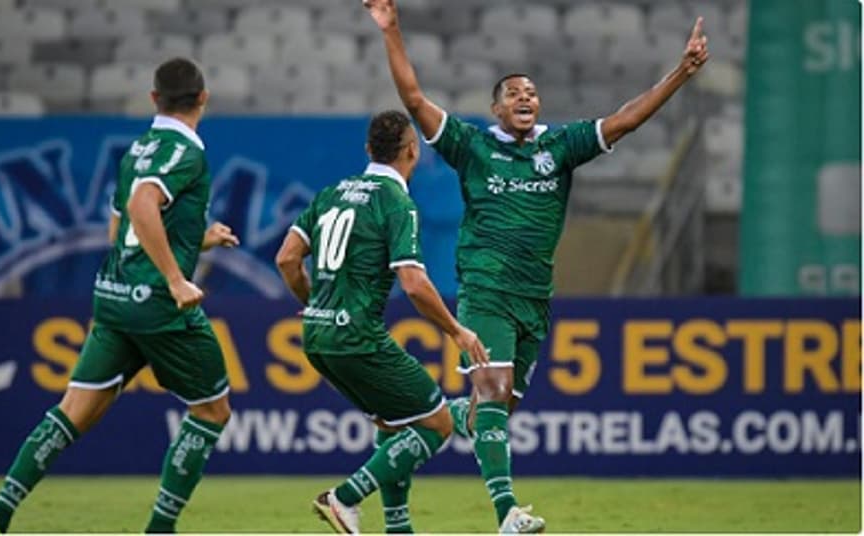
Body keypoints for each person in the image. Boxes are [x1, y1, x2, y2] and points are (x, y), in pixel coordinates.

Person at [363, 0, 711, 532]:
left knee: (487, 415)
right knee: (495, 392)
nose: (525, 98)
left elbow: (627, 119)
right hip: (486, 289)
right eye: (513, 93)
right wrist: (391, 29)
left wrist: (681, 73)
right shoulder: (472, 146)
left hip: (534, 299)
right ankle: (508, 515)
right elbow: (412, 98)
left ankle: (385, 450)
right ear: (497, 109)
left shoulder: (560, 146)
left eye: (531, 92)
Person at [0, 57, 240, 534]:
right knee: (212, 409)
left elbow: (122, 230)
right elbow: (141, 207)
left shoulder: (136, 149)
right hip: (159, 305)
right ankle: (159, 528)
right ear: (204, 98)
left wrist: (197, 238)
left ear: (154, 99)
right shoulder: (187, 152)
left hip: (114, 298)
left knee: (72, 410)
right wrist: (177, 278)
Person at [275, 110, 490, 534]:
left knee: (394, 424)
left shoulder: (331, 193)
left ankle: (398, 529)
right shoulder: (396, 202)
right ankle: (344, 497)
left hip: (316, 336)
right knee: (437, 424)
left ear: (368, 150)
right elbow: (413, 283)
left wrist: (316, 302)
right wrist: (457, 330)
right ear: (412, 150)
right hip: (357, 337)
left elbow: (286, 258)